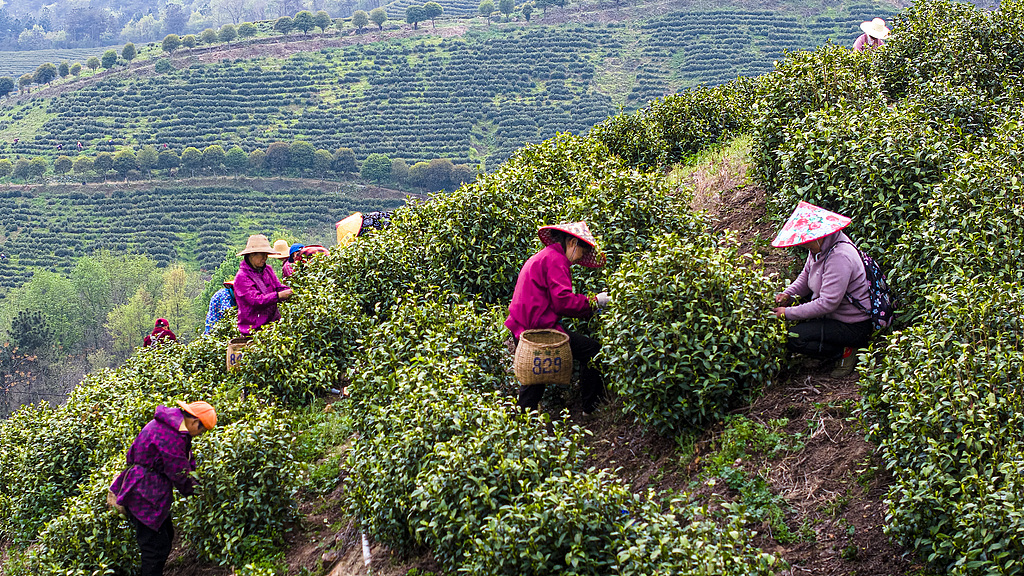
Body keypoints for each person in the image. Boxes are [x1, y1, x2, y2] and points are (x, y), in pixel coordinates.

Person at [505, 221, 610, 414]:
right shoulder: (556, 260)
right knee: (592, 350)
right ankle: (591, 408)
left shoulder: (546, 256)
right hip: (536, 329)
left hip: (526, 324)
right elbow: (563, 302)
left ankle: (522, 426)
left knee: (535, 377)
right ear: (572, 243)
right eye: (581, 252)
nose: (578, 259)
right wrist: (595, 302)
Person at [109, 401, 216, 576]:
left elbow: (186, 460)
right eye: (202, 429)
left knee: (165, 536)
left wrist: (196, 478)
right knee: (154, 548)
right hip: (143, 492)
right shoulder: (170, 435)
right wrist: (200, 491)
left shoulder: (174, 428)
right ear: (195, 421)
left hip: (148, 489)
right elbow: (179, 471)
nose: (200, 434)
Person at [771, 201, 873, 376]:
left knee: (793, 337)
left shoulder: (839, 256)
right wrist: (788, 294)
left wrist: (787, 313)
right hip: (835, 316)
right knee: (798, 320)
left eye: (806, 242)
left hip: (853, 325)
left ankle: (844, 352)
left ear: (818, 236)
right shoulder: (820, 249)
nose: (803, 246)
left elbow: (827, 303)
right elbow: (805, 276)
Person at [234, 234, 293, 335]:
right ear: (252, 255)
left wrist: (293, 291)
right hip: (253, 330)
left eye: (266, 254)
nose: (265, 257)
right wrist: (278, 296)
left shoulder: (267, 270)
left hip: (273, 326)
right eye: (262, 254)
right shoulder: (242, 277)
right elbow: (256, 300)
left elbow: (278, 287)